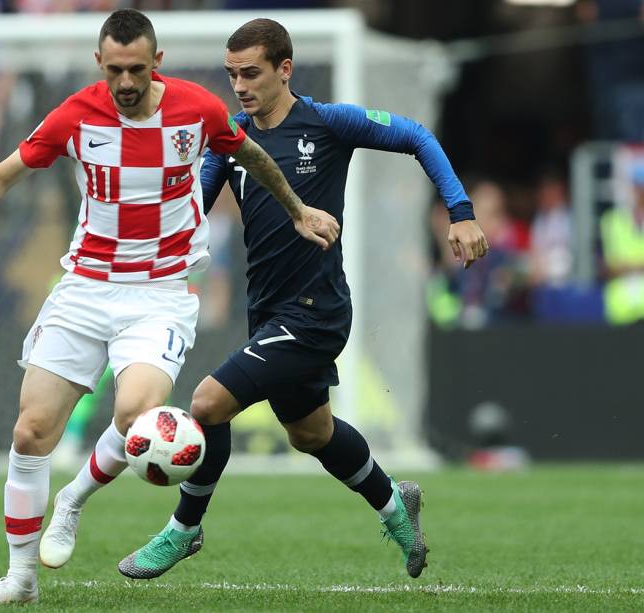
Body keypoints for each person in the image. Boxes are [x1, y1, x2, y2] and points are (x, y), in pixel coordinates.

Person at [0, 9, 338, 606]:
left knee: (135, 415)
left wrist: (296, 209)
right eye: (114, 70)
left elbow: (253, 157)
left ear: (157, 63)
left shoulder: (198, 110)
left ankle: (72, 500)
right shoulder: (75, 116)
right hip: (84, 288)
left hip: (160, 295)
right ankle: (19, 579)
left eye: (136, 69)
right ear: (98, 64)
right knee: (31, 432)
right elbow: (2, 176)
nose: (125, 82)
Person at [112, 18, 489, 581]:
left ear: (284, 70)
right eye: (232, 74)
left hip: (315, 312)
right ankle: (395, 505)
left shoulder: (327, 123)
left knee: (208, 404)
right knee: (310, 433)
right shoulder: (233, 140)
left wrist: (460, 213)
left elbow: (416, 135)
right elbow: (189, 211)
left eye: (252, 73)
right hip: (267, 312)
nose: (240, 86)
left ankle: (183, 530)